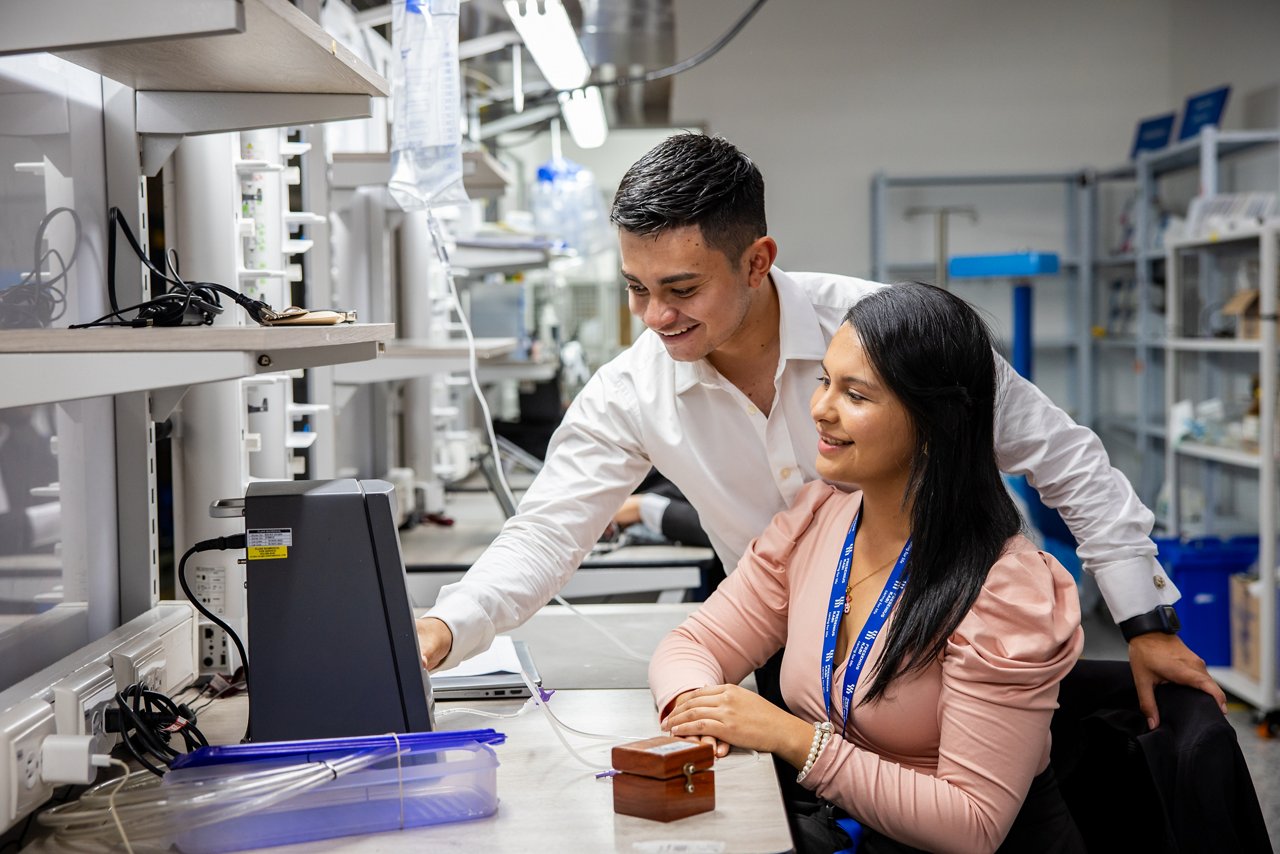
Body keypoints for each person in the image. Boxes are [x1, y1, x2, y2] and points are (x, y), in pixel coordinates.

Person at [417, 132, 1224, 729]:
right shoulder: (632, 391)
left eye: (681, 288)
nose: (655, 317)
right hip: (797, 677)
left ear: (758, 260)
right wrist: (446, 626)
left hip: (963, 661)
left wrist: (1144, 621)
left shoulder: (887, 334)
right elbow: (546, 534)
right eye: (636, 288)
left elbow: (1067, 461)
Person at [652, 281, 1084, 853]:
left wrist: (792, 738)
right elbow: (694, 643)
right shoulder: (818, 519)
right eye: (825, 381)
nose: (820, 410)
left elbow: (973, 824)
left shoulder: (1004, 587)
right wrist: (696, 710)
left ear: (934, 423)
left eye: (856, 395)